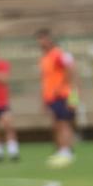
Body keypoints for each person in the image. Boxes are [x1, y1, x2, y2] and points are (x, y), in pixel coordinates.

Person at [35, 28, 78, 168]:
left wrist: (70, 92)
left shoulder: (58, 54)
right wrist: (44, 99)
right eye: (39, 39)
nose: (41, 42)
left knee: (64, 123)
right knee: (57, 124)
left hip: (62, 94)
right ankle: (61, 150)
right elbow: (45, 80)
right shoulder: (44, 58)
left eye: (44, 38)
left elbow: (70, 69)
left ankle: (67, 152)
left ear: (49, 39)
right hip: (51, 97)